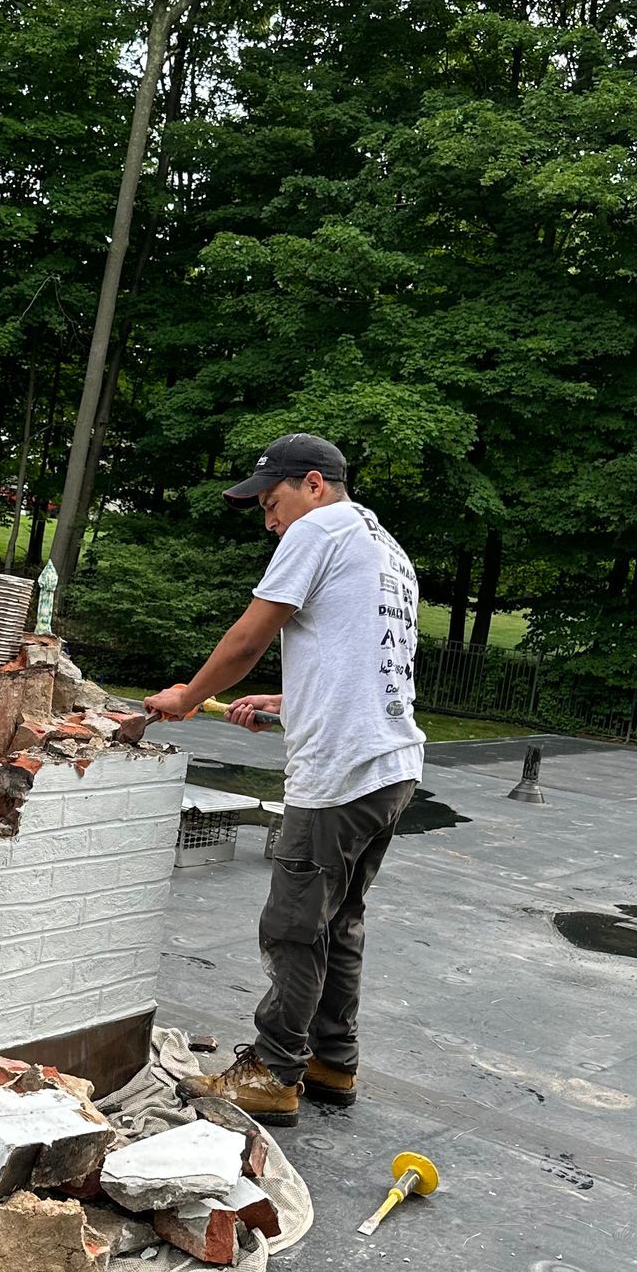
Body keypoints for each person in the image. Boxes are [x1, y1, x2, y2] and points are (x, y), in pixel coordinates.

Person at [145, 433, 424, 1126]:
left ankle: (273, 1071)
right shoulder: (386, 548)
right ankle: (334, 1061)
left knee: (294, 926)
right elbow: (362, 660)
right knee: (340, 922)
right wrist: (288, 701)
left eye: (273, 503)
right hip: (389, 768)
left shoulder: (320, 528)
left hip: (339, 773)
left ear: (314, 484)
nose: (270, 521)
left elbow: (248, 638)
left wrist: (185, 696)